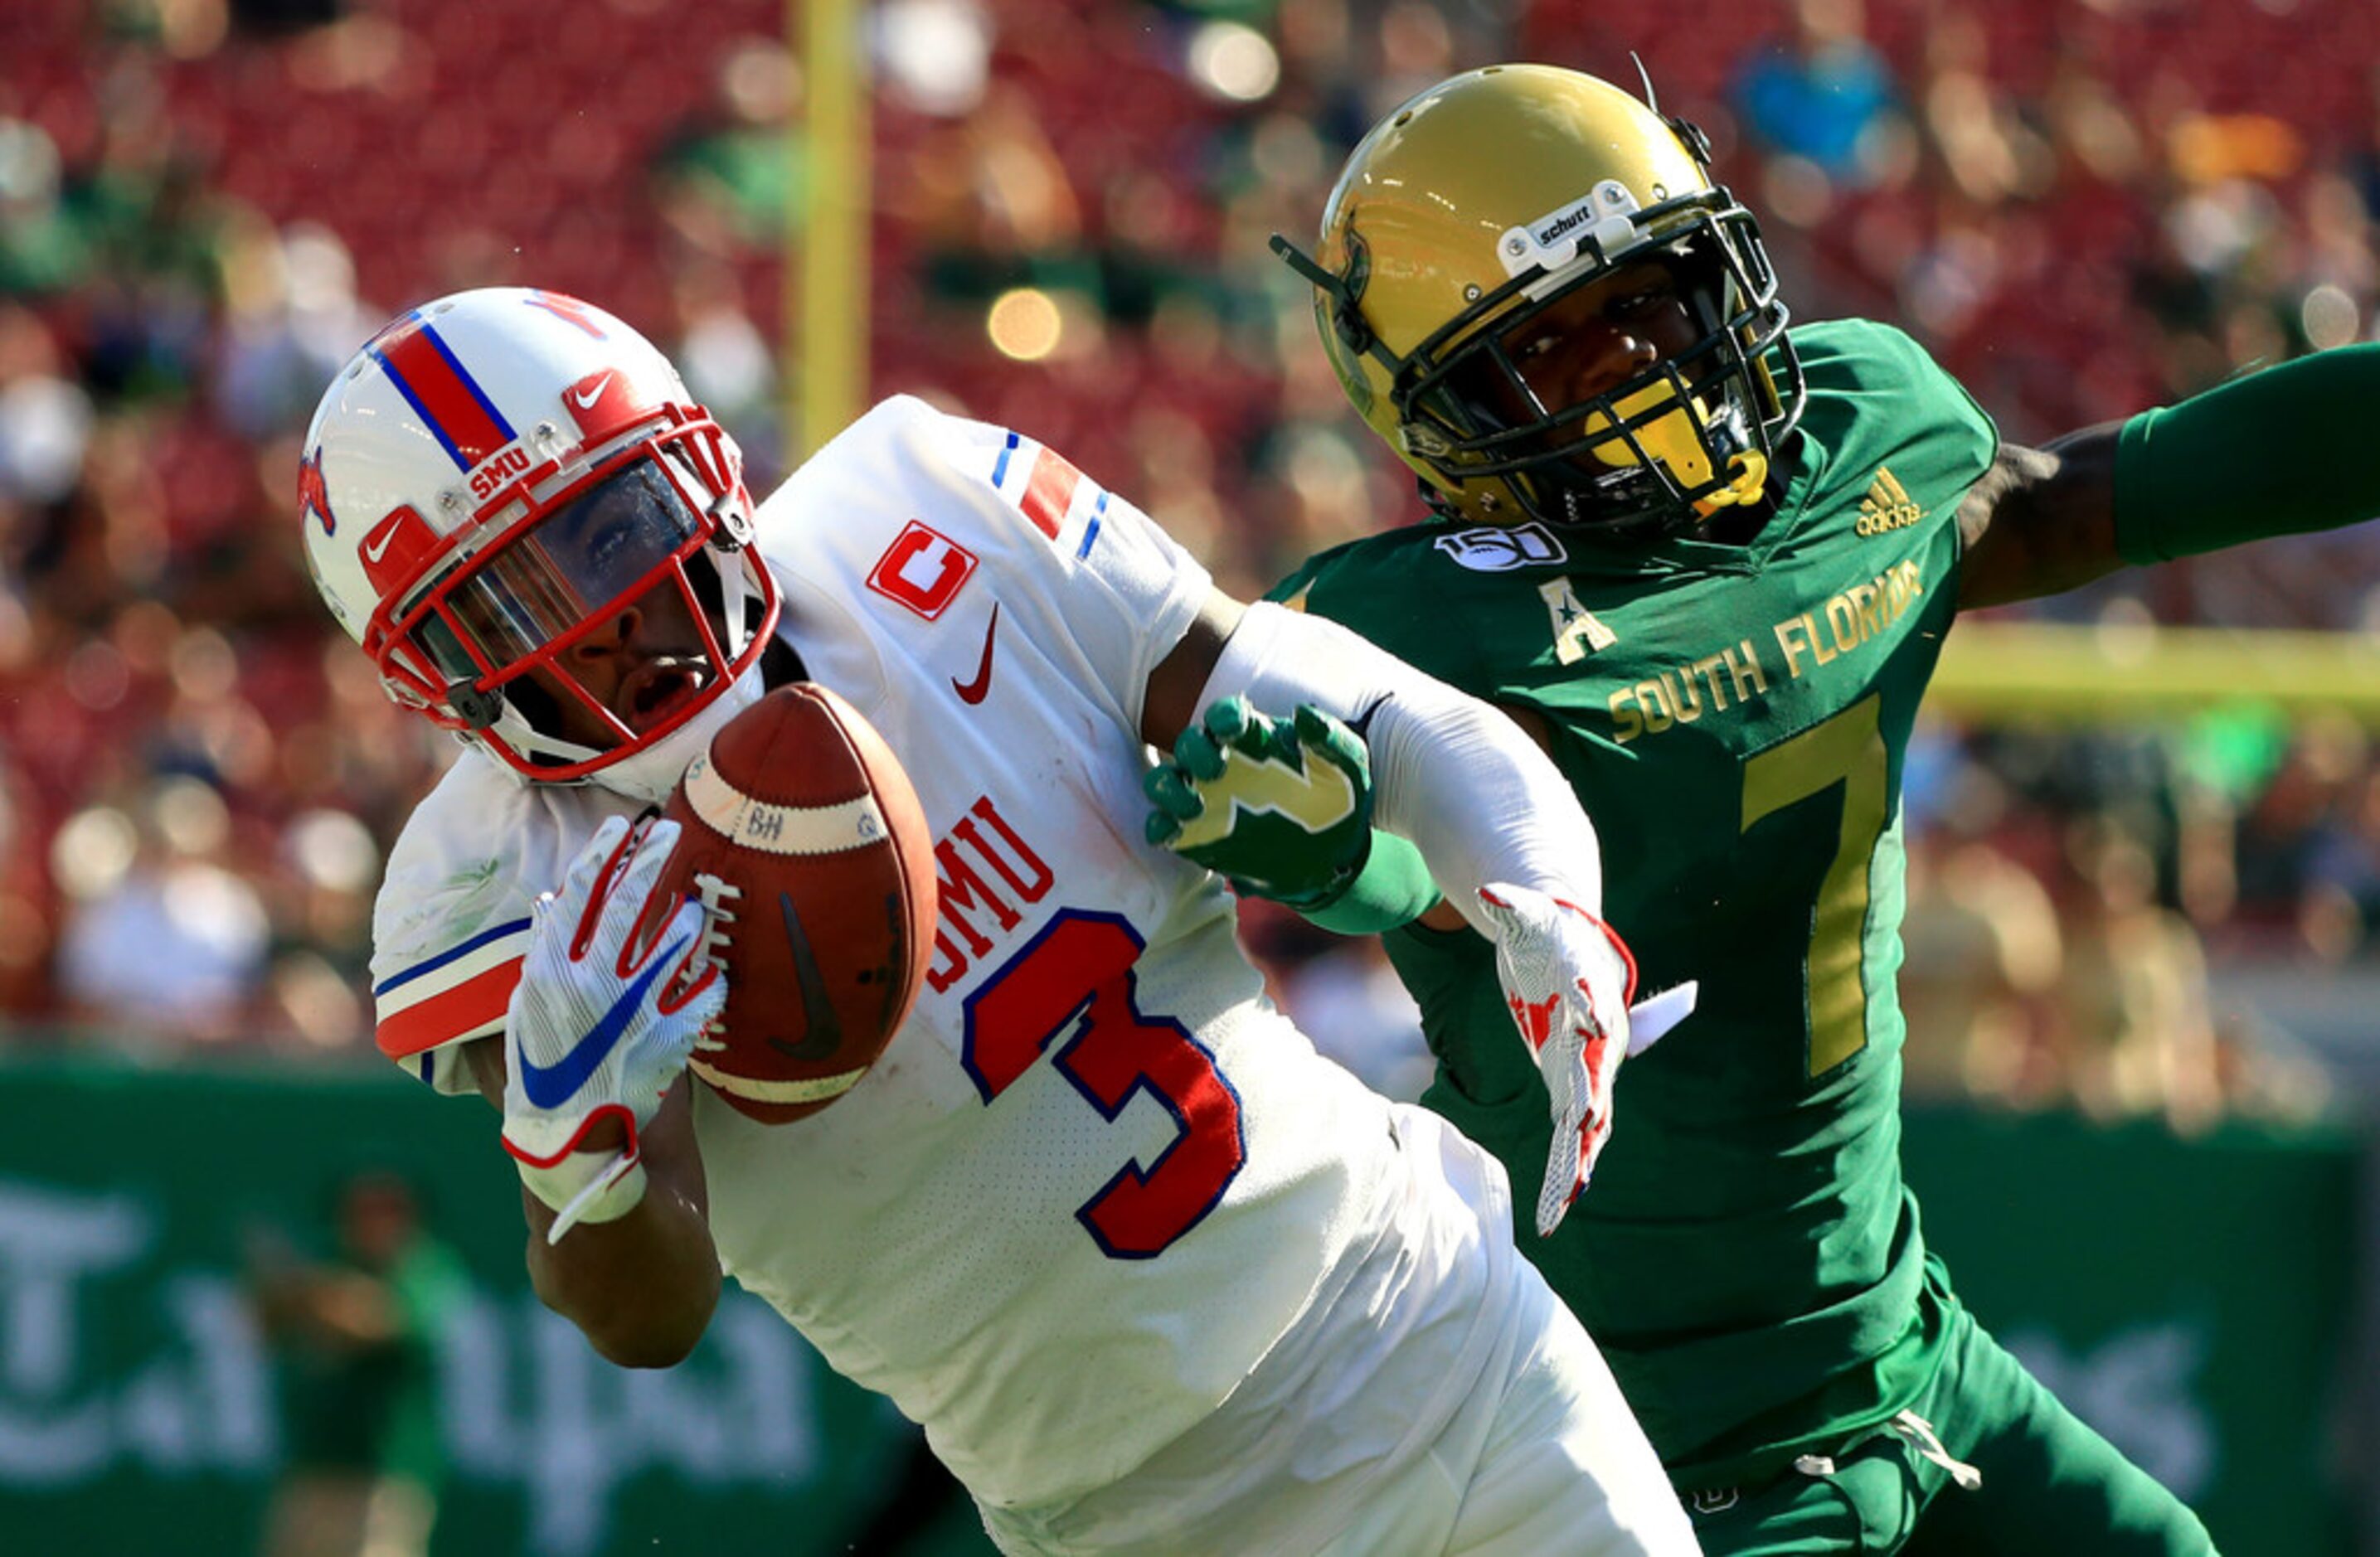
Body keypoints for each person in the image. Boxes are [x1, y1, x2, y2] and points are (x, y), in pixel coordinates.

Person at [1138, 60, 2378, 1554]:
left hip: (1902, 1350)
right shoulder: (1416, 635)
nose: (1641, 364)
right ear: (1447, 416)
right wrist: (1335, 856)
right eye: (1562, 353)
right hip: (1634, 1439)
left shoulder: (1869, 446)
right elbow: (1399, 868)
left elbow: (2084, 493)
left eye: (1650, 299)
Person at [296, 286, 1702, 1554]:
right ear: (434, 671)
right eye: (510, 598)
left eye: (607, 527)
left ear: (698, 462)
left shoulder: (928, 508)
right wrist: (575, 1148)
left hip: (1437, 1321)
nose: (602, 613)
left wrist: (1543, 889)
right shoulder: (494, 890)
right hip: (1146, 1519)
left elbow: (1371, 712)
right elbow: (644, 1314)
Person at [245, 1170, 465, 1557]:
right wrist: (271, 1279)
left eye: (389, 1211)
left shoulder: (425, 1269)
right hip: (310, 1473)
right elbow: (263, 1329)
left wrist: (299, 1284)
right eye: (363, 1210)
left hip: (386, 1481)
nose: (375, 1222)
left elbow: (378, 1321)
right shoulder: (328, 1263)